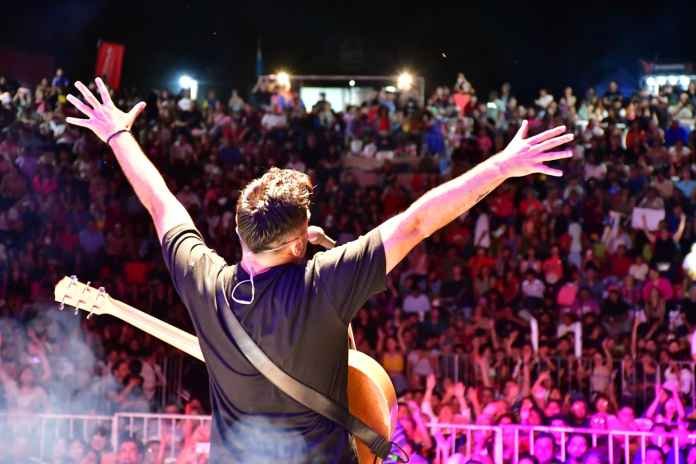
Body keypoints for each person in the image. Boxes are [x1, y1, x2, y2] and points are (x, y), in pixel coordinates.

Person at [65, 77, 573, 463]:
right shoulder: (322, 282)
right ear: (297, 241)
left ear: (240, 232)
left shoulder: (205, 282)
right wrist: (502, 166)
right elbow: (416, 223)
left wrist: (117, 134)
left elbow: (162, 204)